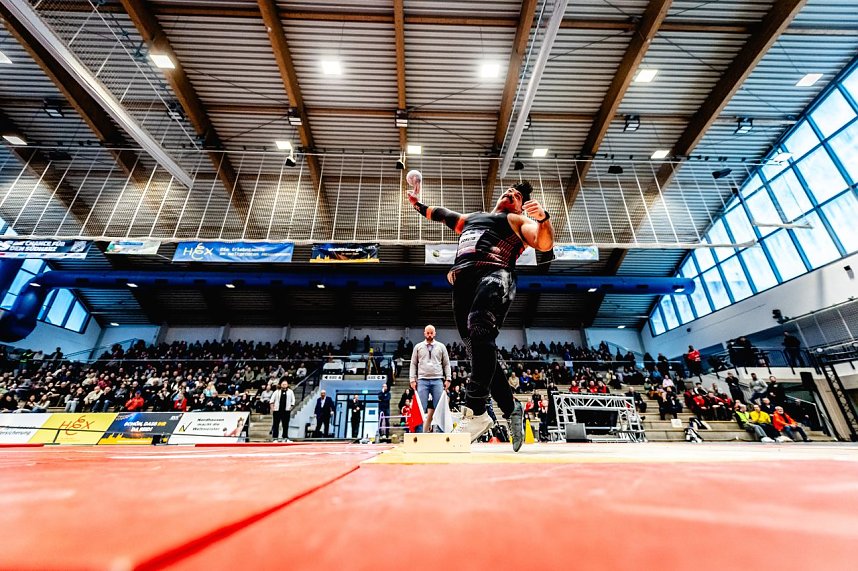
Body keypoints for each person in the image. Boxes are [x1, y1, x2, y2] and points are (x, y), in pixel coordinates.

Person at [407, 177, 554, 452]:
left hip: (496, 274)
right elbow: (441, 214)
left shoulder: (517, 220)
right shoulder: (471, 219)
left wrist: (544, 219)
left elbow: (543, 244)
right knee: (478, 349)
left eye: (517, 196)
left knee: (480, 328)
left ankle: (475, 409)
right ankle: (510, 407)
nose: (511, 193)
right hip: (464, 284)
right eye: (508, 190)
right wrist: (417, 203)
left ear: (520, 207)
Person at [409, 324, 452, 433]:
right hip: (422, 380)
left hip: (437, 380)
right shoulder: (418, 347)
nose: (429, 335)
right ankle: (418, 434)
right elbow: (413, 364)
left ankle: (441, 433)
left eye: (431, 333)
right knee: (420, 408)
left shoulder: (441, 347)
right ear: (424, 333)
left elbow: (446, 364)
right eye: (427, 333)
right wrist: (412, 379)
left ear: (435, 333)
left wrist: (448, 378)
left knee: (440, 408)